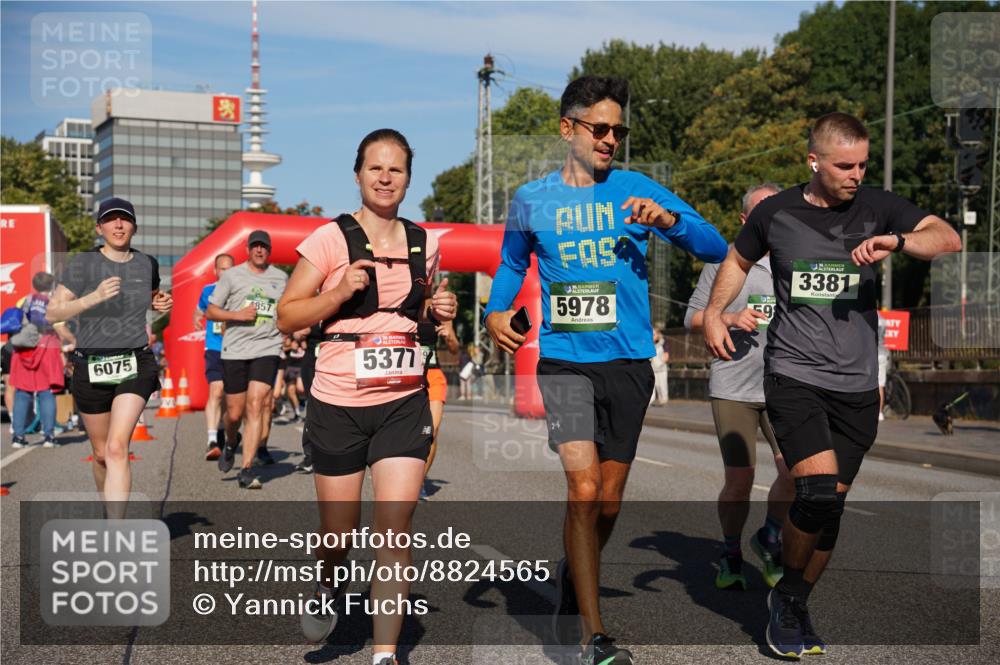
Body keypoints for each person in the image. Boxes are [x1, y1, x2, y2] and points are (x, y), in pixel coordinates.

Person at [484, 75, 727, 664]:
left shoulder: (638, 189)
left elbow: (716, 247)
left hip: (629, 364)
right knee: (584, 488)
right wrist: (495, 313)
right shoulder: (531, 199)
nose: (611, 138)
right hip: (566, 362)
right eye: (600, 127)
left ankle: (575, 574)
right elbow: (512, 264)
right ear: (568, 128)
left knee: (609, 502)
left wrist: (669, 223)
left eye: (619, 130)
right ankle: (591, 633)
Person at [702, 113, 962, 659]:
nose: (855, 174)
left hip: (856, 384)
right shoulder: (776, 212)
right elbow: (736, 258)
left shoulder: (878, 207)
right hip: (794, 373)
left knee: (832, 509)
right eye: (845, 165)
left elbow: (948, 238)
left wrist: (898, 239)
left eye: (863, 163)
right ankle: (787, 598)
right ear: (813, 161)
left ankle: (791, 599)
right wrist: (713, 314)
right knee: (816, 491)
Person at [277, 128, 456, 665]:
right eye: (375, 167)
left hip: (403, 397)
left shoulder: (426, 244)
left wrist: (437, 311)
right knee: (339, 535)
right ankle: (329, 582)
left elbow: (416, 317)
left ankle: (384, 654)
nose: (385, 177)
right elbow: (288, 313)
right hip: (337, 401)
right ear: (357, 175)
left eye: (396, 169)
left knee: (394, 525)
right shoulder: (329, 239)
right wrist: (337, 291)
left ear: (407, 179)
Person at [685, 183, 794, 591]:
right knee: (741, 478)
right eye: (762, 212)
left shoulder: (794, 258)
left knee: (796, 471)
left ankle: (768, 535)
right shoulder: (723, 261)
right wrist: (729, 319)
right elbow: (692, 319)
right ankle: (730, 551)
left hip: (785, 384)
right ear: (745, 220)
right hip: (734, 385)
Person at [46, 197, 172, 508]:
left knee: (118, 448)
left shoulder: (147, 263)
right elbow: (53, 312)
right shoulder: (84, 264)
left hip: (135, 361)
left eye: (125, 219)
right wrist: (93, 298)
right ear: (99, 227)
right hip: (91, 363)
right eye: (111, 220)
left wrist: (159, 303)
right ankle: (107, 511)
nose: (118, 225)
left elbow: (152, 296)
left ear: (134, 227)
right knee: (102, 454)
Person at [205, 230, 287, 489]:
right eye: (255, 246)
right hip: (236, 350)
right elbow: (211, 311)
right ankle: (230, 441)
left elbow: (288, 309)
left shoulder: (281, 278)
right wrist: (236, 316)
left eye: (264, 246)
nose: (259, 250)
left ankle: (247, 468)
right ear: (248, 250)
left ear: (270, 250)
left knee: (256, 404)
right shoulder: (231, 276)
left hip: (268, 347)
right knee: (234, 412)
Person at [9, 272, 74, 448]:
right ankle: (48, 436)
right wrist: (74, 341)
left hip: (24, 349)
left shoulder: (24, 301)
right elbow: (60, 327)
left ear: (34, 285)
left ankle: (18, 437)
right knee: (47, 394)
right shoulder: (53, 304)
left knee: (23, 393)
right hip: (47, 349)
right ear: (51, 286)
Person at [195, 253, 234, 460]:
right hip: (214, 347)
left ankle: (224, 429)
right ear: (215, 271)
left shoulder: (240, 290)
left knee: (231, 397)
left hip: (237, 349)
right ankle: (211, 439)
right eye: (222, 269)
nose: (226, 273)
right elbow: (198, 311)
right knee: (216, 390)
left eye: (230, 269)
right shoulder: (207, 291)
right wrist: (196, 318)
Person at [419, 318, 459, 499]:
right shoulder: (396, 302)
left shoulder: (437, 312)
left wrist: (449, 337)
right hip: (405, 377)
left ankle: (418, 482)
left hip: (433, 376)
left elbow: (454, 350)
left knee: (431, 431)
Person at [649, 326, 668, 406]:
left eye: (653, 334)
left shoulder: (663, 343)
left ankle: (663, 400)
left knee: (662, 385)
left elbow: (666, 356)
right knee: (653, 385)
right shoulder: (649, 345)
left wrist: (661, 363)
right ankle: (650, 400)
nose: (652, 336)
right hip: (652, 368)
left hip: (661, 369)